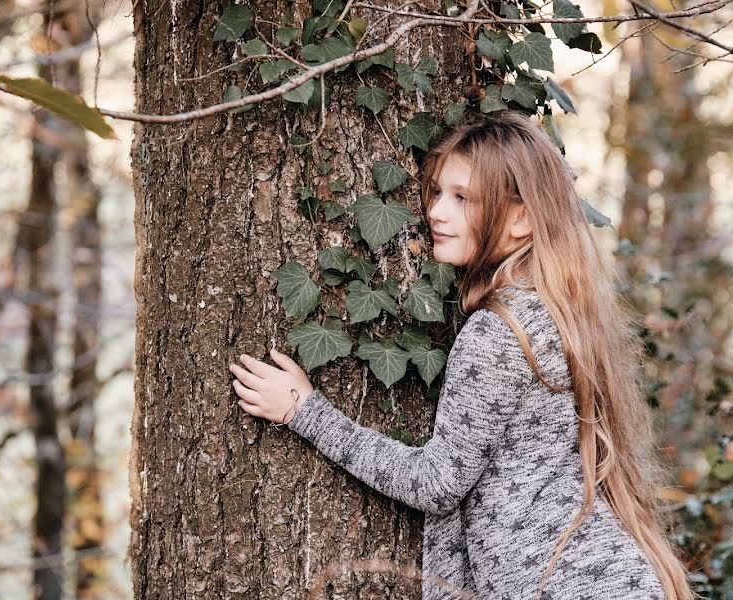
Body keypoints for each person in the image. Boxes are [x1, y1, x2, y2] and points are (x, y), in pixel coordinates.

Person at [228, 110, 695, 600]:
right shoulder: (559, 307)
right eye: (437, 192)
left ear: (521, 218)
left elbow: (437, 483)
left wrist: (306, 412)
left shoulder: (499, 329)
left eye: (463, 198)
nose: (436, 211)